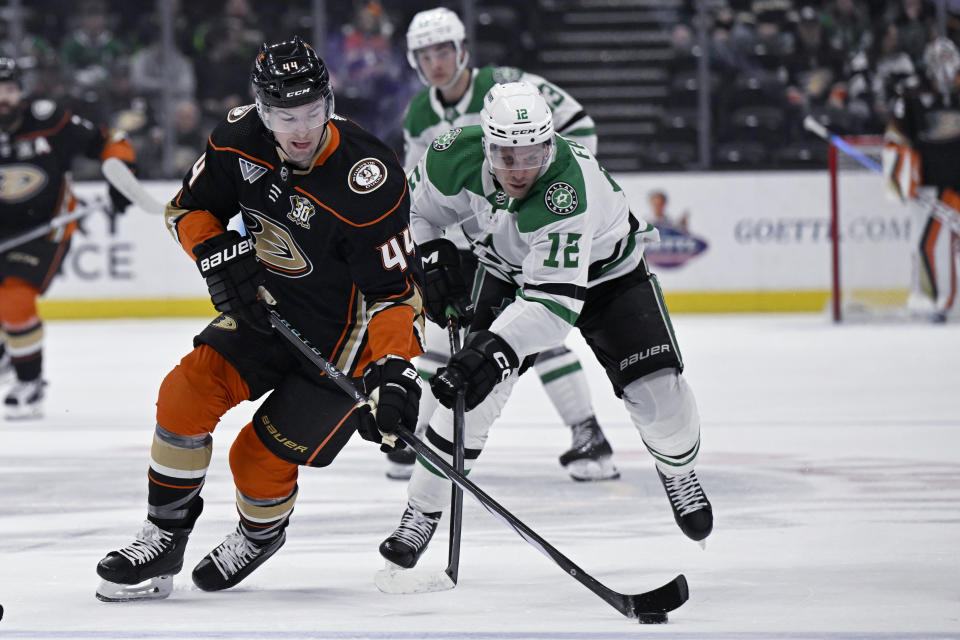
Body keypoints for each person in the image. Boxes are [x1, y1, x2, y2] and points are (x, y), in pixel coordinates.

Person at [95, 36, 424, 601]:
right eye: (283, 114)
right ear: (261, 110)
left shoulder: (367, 178)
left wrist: (395, 371)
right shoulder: (237, 140)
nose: (300, 129)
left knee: (256, 454)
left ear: (330, 101)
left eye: (313, 111)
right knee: (185, 392)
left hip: (346, 343)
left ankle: (260, 532)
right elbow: (187, 209)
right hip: (266, 314)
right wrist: (214, 250)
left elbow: (395, 294)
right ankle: (165, 534)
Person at [378, 82, 713, 571]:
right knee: (467, 400)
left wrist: (490, 351)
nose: (520, 169)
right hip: (509, 272)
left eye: (532, 153)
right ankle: (421, 511)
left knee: (659, 395)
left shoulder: (564, 191)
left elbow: (554, 307)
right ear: (487, 145)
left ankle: (677, 467)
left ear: (550, 143)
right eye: (508, 156)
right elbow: (413, 210)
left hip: (608, 277)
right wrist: (429, 254)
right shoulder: (452, 155)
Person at [388, 5, 617, 484]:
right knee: (448, 341)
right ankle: (425, 435)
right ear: (414, 61)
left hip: (526, 234)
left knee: (530, 329)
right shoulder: (418, 113)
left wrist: (554, 195)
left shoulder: (506, 84)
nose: (436, 63)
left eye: (444, 50)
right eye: (425, 55)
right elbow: (418, 186)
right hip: (470, 243)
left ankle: (587, 431)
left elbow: (580, 125)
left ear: (462, 49)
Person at [0, 57, 134, 418]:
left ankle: (30, 384)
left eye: (9, 90)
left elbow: (111, 140)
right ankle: (8, 348)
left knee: (15, 298)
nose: (3, 98)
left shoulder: (49, 120)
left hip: (45, 227)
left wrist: (120, 170)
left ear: (21, 91)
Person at [883, 37, 960, 323]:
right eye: (938, 62)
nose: (944, 68)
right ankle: (934, 300)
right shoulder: (912, 95)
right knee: (928, 244)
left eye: (948, 61)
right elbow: (896, 137)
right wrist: (900, 175)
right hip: (929, 187)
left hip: (957, 184)